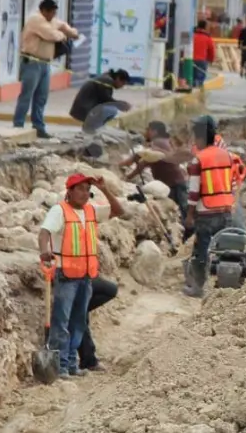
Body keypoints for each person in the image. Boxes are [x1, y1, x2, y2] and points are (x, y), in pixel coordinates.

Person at [38, 173, 124, 379]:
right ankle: (60, 366)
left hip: (86, 275)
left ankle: (71, 365)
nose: (85, 193)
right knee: (62, 322)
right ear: (69, 191)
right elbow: (44, 233)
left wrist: (104, 188)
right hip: (66, 275)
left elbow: (120, 210)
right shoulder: (59, 211)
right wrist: (43, 251)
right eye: (81, 189)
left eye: (88, 189)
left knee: (78, 322)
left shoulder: (91, 210)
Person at [184, 115, 238, 298]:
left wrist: (190, 215)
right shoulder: (228, 156)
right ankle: (227, 285)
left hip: (206, 212)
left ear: (199, 137)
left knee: (202, 250)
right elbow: (232, 184)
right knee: (226, 248)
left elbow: (193, 193)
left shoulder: (198, 160)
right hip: (225, 210)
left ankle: (198, 288)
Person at [15, 0, 79, 139]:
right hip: (32, 62)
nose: (53, 16)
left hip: (45, 64)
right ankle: (18, 125)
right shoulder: (36, 20)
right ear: (44, 11)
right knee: (26, 96)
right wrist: (64, 36)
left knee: (41, 97)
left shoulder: (51, 21)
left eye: (54, 13)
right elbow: (52, 35)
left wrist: (73, 33)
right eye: (51, 12)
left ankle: (39, 127)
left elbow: (62, 26)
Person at [120, 121, 190, 224]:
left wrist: (125, 171)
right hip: (171, 184)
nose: (145, 132)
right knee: (178, 212)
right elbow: (146, 161)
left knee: (182, 212)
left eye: (147, 130)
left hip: (174, 184)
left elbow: (144, 161)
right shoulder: (163, 142)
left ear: (154, 131)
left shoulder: (158, 142)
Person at [69, 69, 132, 134]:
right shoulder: (107, 81)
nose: (122, 86)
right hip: (83, 108)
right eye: (123, 83)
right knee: (111, 110)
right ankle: (93, 129)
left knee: (109, 109)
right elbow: (105, 99)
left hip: (83, 107)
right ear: (118, 79)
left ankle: (91, 127)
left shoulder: (106, 79)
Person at [78, 276, 117, 373]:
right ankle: (89, 360)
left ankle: (88, 360)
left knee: (111, 289)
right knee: (80, 317)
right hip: (71, 278)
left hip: (84, 274)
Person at [192, 21, 216, 88]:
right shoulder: (207, 38)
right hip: (202, 61)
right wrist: (211, 60)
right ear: (205, 27)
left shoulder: (192, 35)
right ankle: (198, 92)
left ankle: (193, 87)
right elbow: (211, 50)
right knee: (200, 79)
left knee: (191, 78)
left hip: (190, 59)